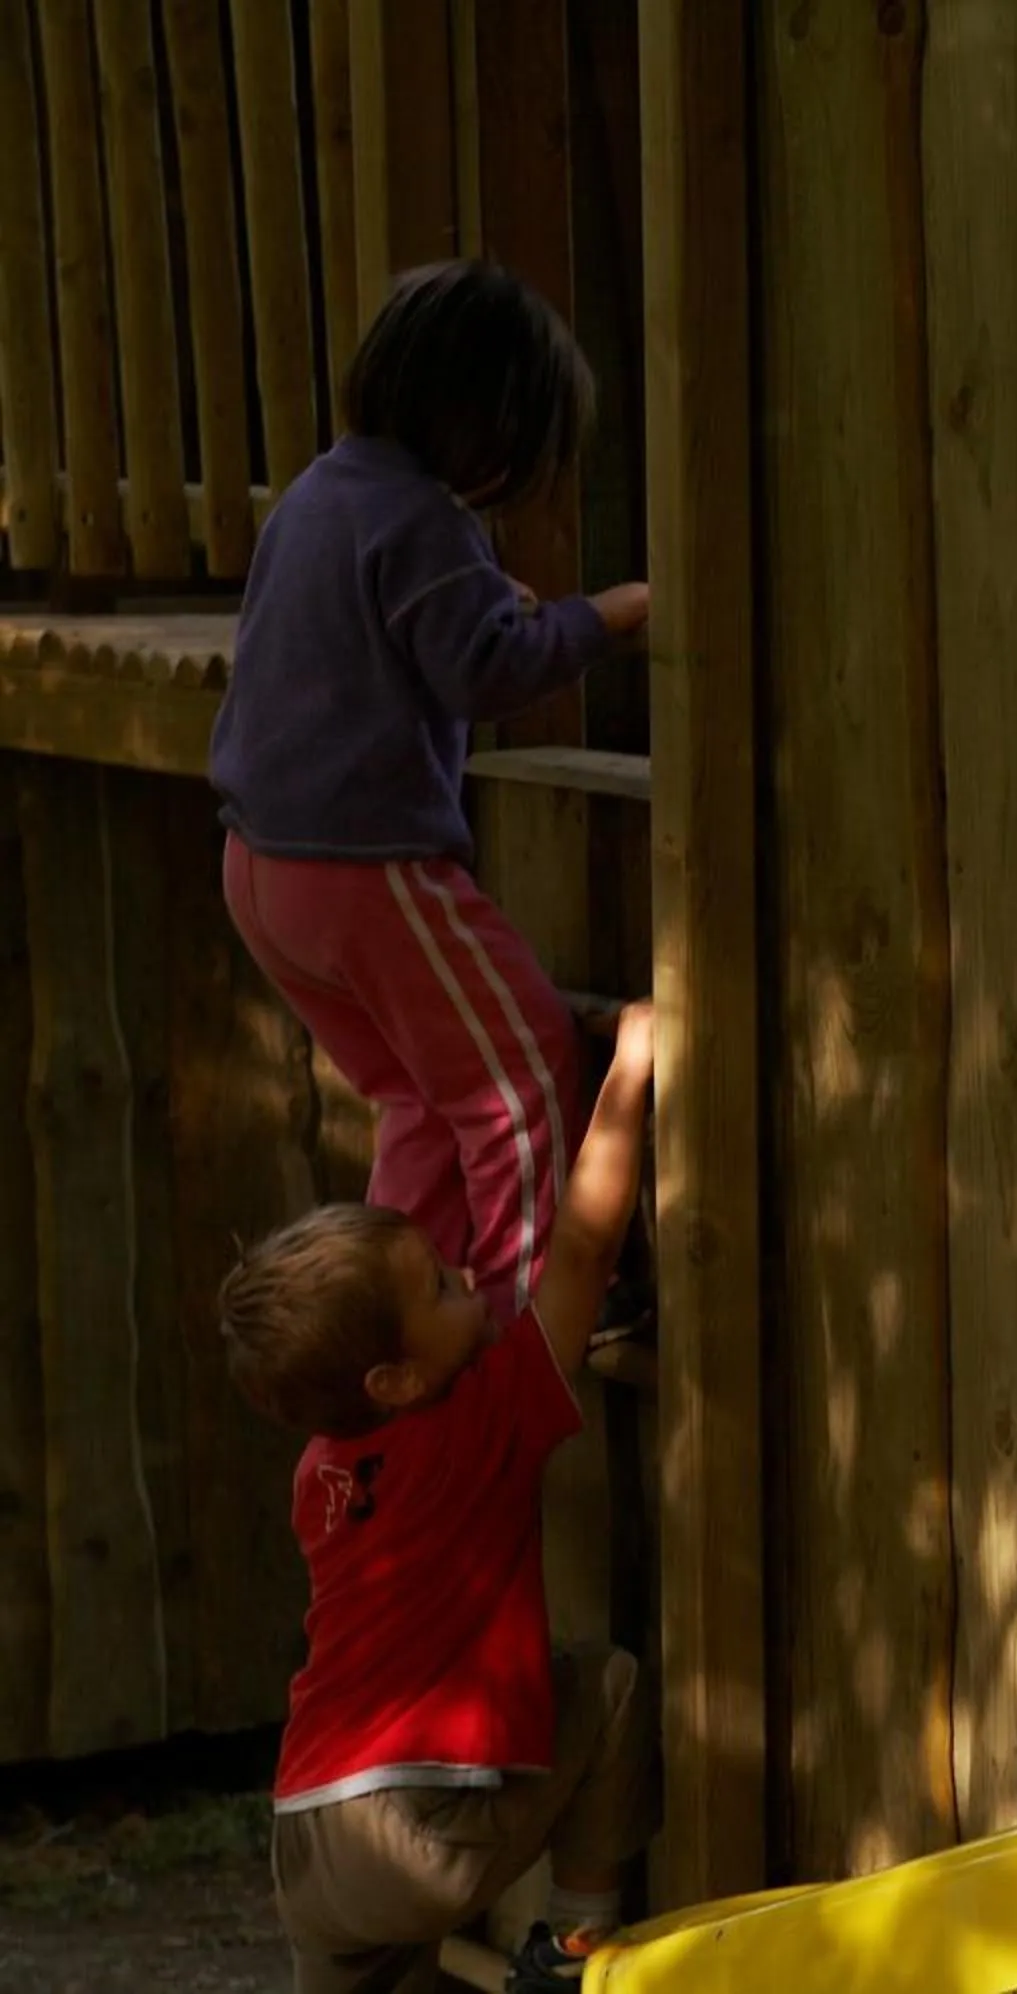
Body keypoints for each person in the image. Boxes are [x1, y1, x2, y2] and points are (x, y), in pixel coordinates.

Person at [211, 259, 651, 1320]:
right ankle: (511, 1330)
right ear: (485, 424)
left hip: (261, 870)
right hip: (369, 873)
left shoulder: (319, 494)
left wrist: (487, 597)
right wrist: (612, 614)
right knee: (522, 1085)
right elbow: (487, 668)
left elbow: (371, 628)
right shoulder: (424, 518)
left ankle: (394, 1322)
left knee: (417, 1095)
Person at [220, 1003, 665, 1992]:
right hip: (416, 1827)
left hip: (305, 1833)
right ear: (396, 1380)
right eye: (441, 1286)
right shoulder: (481, 1419)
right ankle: (574, 1947)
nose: (469, 1276)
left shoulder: (320, 1473)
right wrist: (629, 1068)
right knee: (609, 1686)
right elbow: (586, 1250)